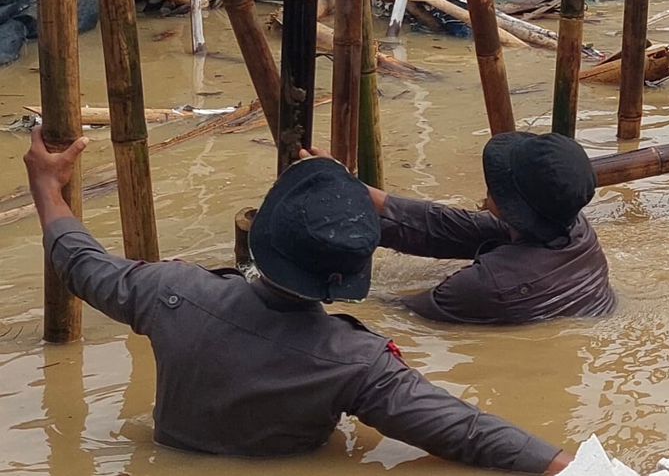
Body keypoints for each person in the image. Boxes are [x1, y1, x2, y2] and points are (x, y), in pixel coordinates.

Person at [26, 129, 571, 472]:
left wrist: (48, 190)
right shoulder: (359, 363)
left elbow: (82, 265)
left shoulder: (172, 292)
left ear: (261, 237)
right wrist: (564, 465)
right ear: (354, 274)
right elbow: (463, 431)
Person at [370, 131, 615, 325]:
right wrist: (365, 196)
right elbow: (453, 228)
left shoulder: (488, 285)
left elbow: (395, 314)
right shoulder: (574, 227)